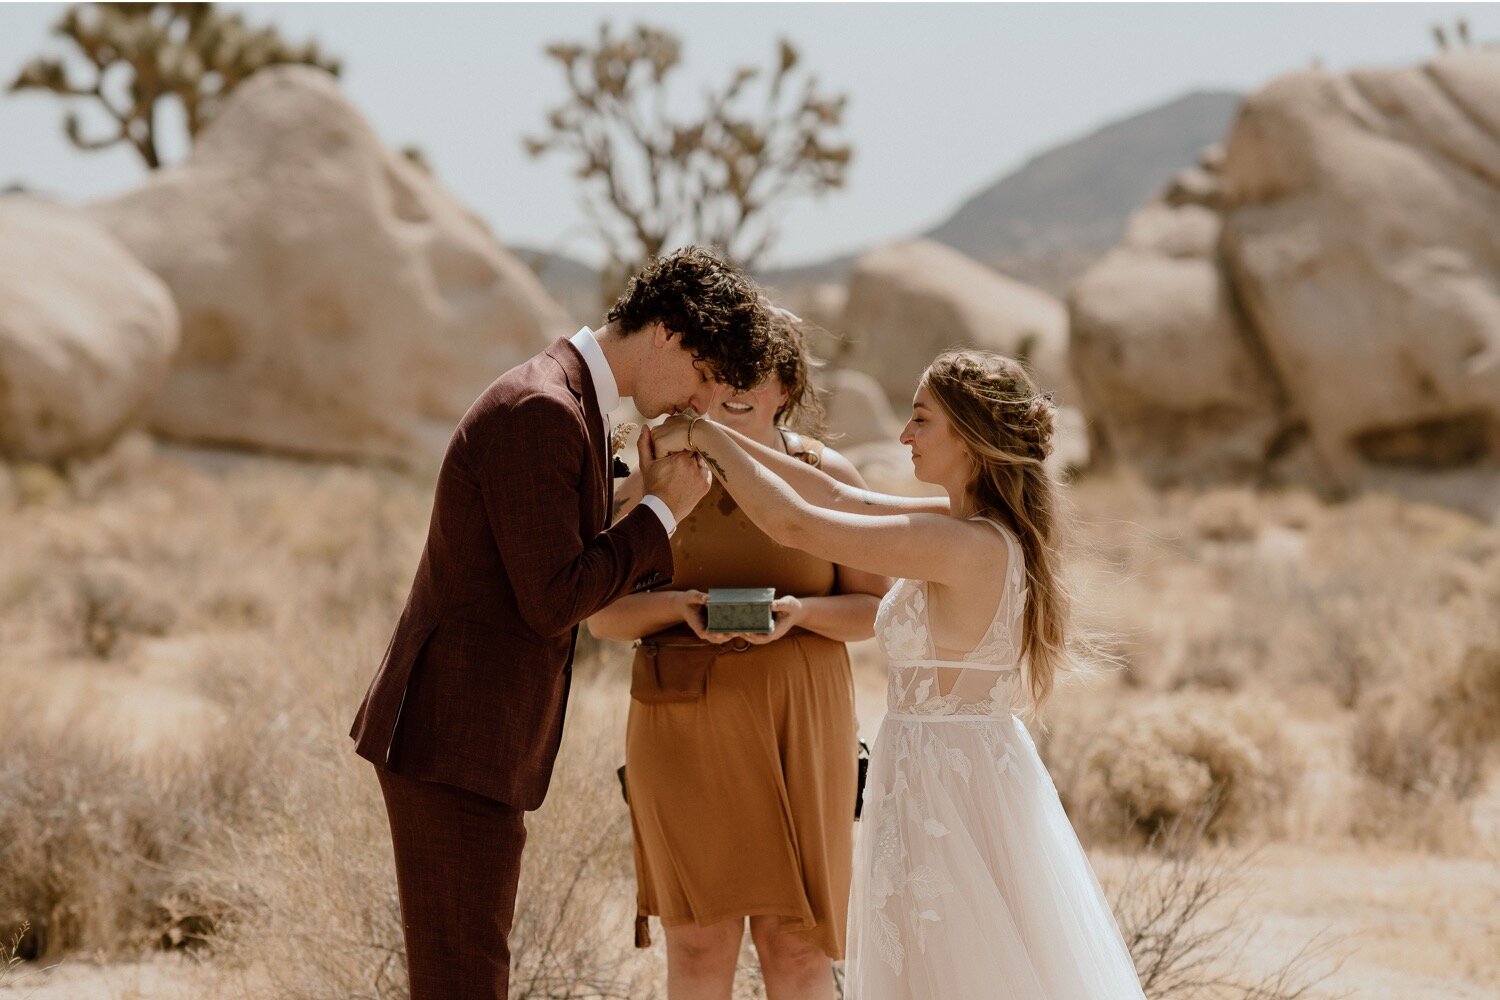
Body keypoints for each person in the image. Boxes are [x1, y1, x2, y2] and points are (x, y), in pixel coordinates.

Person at [651, 350, 1148, 1000]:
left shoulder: (958, 545)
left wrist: (706, 436)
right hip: (942, 771)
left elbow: (796, 522)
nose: (904, 436)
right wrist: (723, 442)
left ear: (969, 438)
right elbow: (830, 492)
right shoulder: (968, 530)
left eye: (920, 420)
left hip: (949, 787)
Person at [348, 247, 775, 1000]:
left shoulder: (568, 401)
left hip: (472, 741)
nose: (702, 404)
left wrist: (640, 493)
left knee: (469, 975)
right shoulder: (541, 409)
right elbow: (553, 596)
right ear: (667, 332)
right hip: (452, 740)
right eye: (706, 377)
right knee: (463, 982)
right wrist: (661, 511)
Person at [588, 315, 889, 1000]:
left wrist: (802, 615)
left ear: (787, 386)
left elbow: (875, 612)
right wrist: (680, 607)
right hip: (684, 733)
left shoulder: (824, 474)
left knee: (798, 946)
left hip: (803, 732)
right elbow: (601, 615)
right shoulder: (652, 473)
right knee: (697, 944)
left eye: (749, 371)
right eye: (714, 367)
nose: (728, 385)